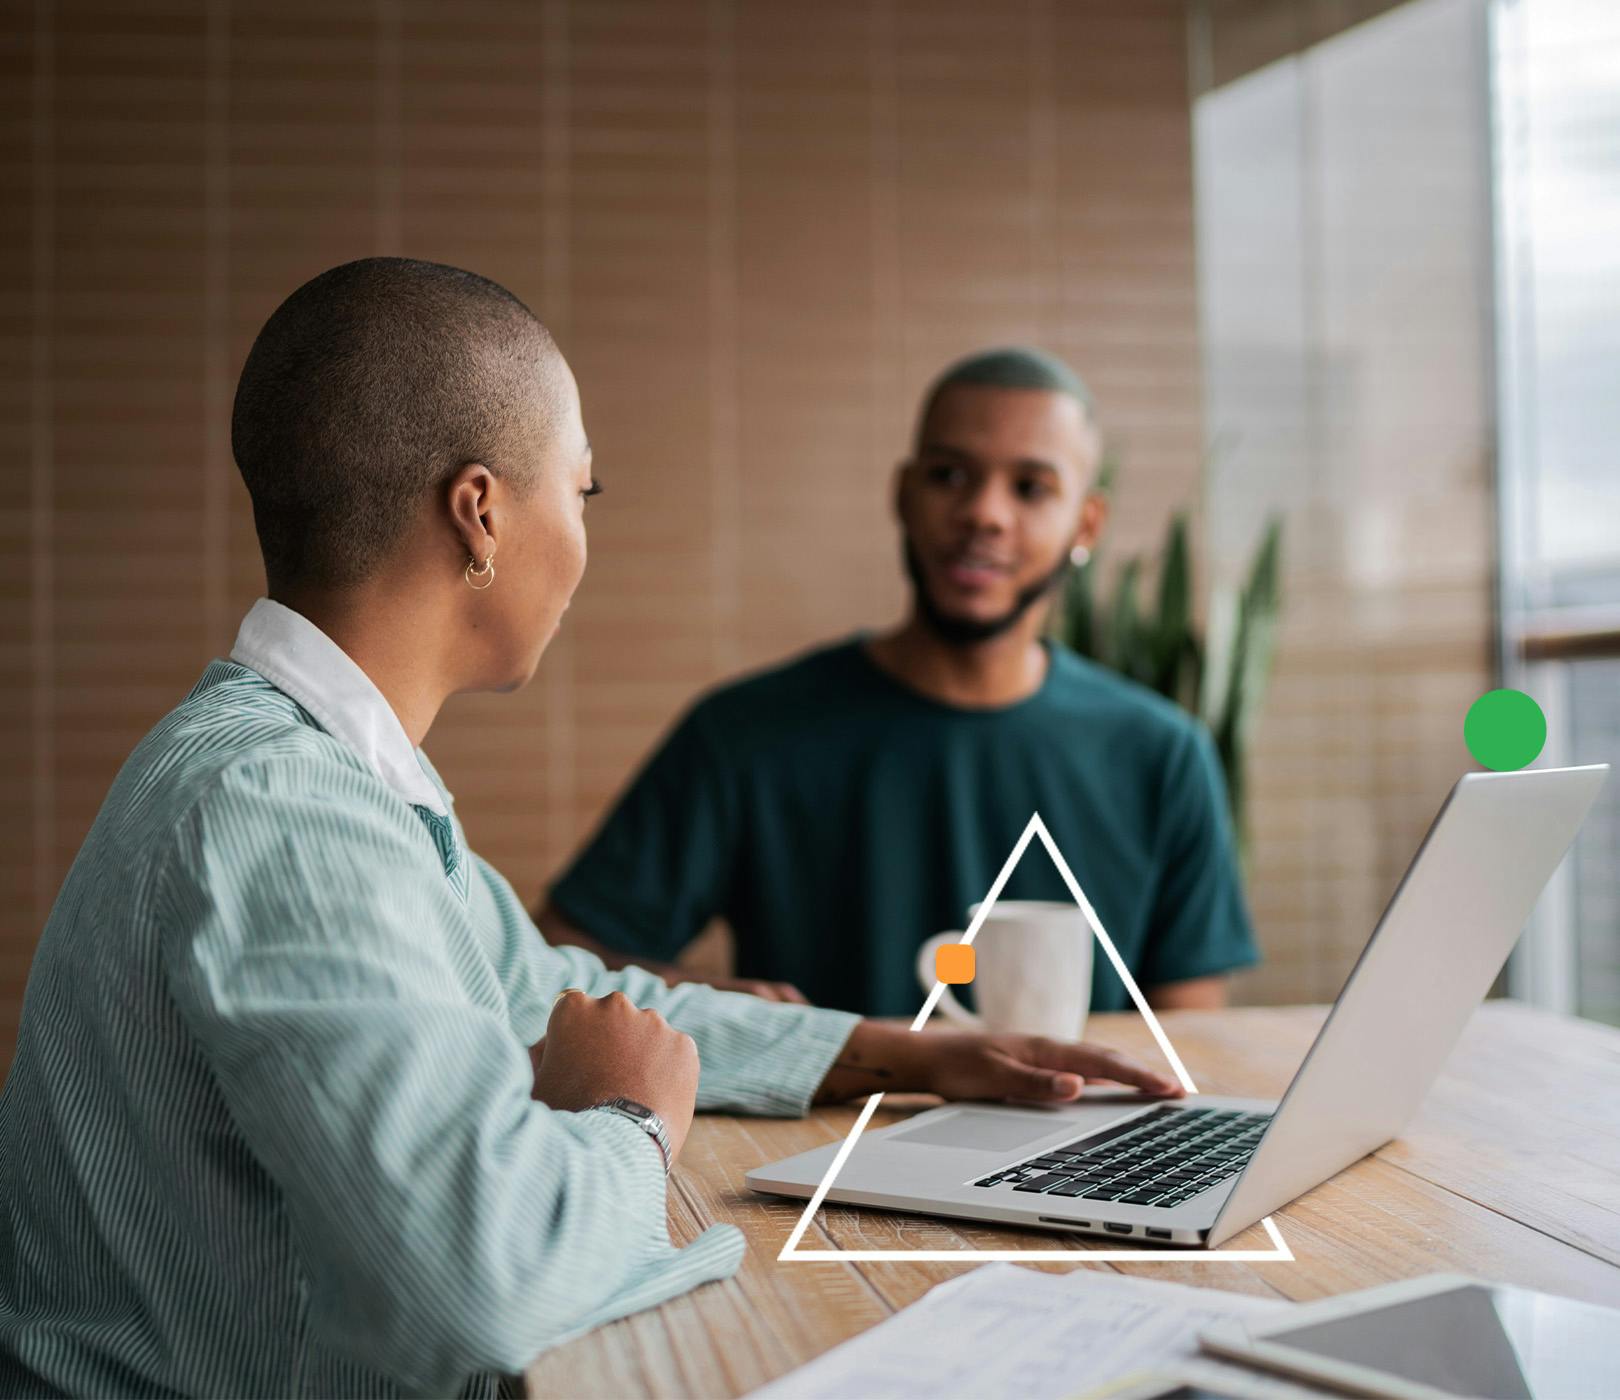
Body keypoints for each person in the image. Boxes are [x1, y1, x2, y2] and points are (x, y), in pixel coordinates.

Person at [0, 260, 1180, 1400]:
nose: (583, 539)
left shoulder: (326, 776)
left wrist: (901, 1051)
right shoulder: (286, 810)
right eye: (583, 489)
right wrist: (627, 1119)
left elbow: (545, 987)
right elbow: (480, 1279)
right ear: (481, 514)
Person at [540, 348, 1259, 1016]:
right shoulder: (747, 733)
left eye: (1031, 487)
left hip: (1083, 1152)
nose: (984, 513)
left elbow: (1186, 1044)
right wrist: (725, 1010)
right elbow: (555, 963)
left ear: (1087, 525)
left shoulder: (1162, 755)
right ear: (904, 495)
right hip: (823, 1149)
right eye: (949, 476)